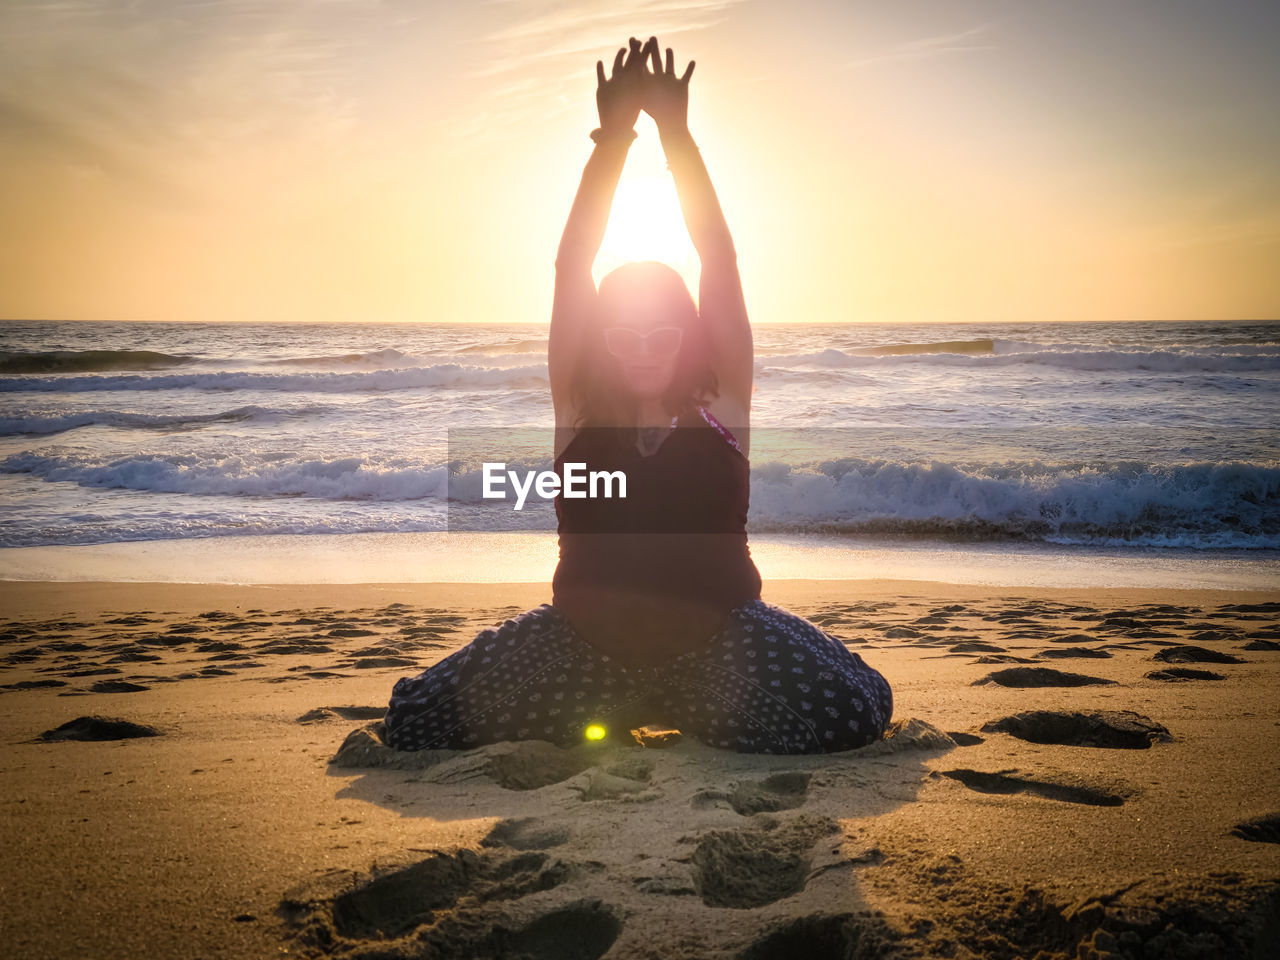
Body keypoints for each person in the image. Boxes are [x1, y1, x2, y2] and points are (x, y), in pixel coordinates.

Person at [385, 36, 892, 754]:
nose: (645, 350)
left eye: (663, 333)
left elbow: (718, 254)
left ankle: (670, 708)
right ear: (601, 339)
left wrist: (677, 136)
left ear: (689, 334)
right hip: (583, 649)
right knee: (416, 723)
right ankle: (630, 709)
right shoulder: (580, 411)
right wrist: (614, 137)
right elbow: (573, 262)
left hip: (721, 647)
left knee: (855, 711)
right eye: (623, 335)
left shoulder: (724, 407)